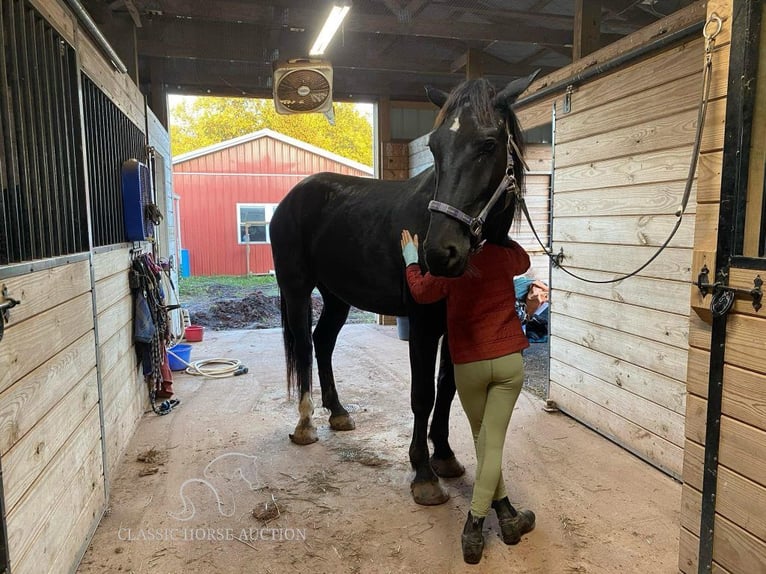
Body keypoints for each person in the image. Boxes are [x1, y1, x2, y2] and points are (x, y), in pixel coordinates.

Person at [400, 230, 535, 564]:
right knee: (491, 445)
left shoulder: (451, 266)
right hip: (507, 362)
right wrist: (501, 238)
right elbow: (525, 258)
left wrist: (410, 260)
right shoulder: (504, 257)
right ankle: (506, 517)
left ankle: (474, 523)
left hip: (469, 365)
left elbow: (419, 292)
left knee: (484, 441)